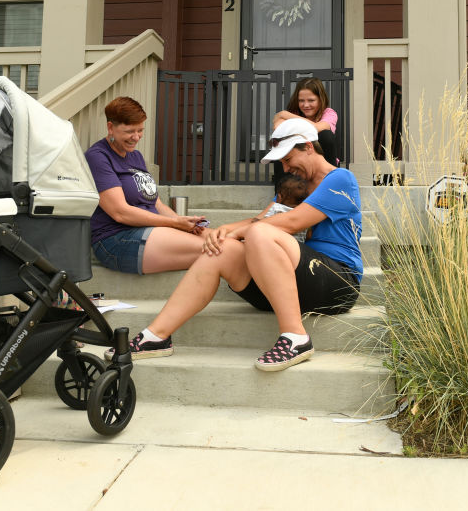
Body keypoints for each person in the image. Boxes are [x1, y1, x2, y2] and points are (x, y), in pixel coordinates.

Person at [107, 117, 363, 372]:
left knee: (260, 234)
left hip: (336, 282)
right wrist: (222, 231)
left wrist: (240, 232)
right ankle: (156, 336)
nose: (286, 168)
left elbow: (291, 222)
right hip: (292, 281)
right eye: (282, 162)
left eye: (288, 159)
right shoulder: (298, 184)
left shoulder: (340, 179)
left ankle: (296, 337)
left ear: (308, 146)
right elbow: (263, 219)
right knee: (221, 250)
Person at [85, 96, 206, 275]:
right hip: (117, 240)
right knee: (218, 249)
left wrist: (185, 225)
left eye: (140, 130)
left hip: (151, 232)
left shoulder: (136, 156)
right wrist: (174, 223)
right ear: (111, 127)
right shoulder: (98, 157)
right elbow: (120, 212)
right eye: (129, 131)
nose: (136, 137)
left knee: (222, 242)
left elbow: (156, 204)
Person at [272, 77, 339, 166]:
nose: (306, 105)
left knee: (325, 134)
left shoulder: (329, 113)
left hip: (323, 164)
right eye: (301, 101)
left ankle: (331, 178)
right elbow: (277, 128)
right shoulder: (294, 113)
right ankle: (284, 180)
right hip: (299, 165)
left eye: (311, 100)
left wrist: (284, 114)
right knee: (280, 140)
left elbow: (316, 128)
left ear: (320, 99)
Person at [262, 173, 310, 242]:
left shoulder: (276, 207)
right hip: (297, 248)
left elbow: (264, 224)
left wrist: (256, 221)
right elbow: (309, 235)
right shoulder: (305, 214)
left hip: (276, 244)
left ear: (279, 197)